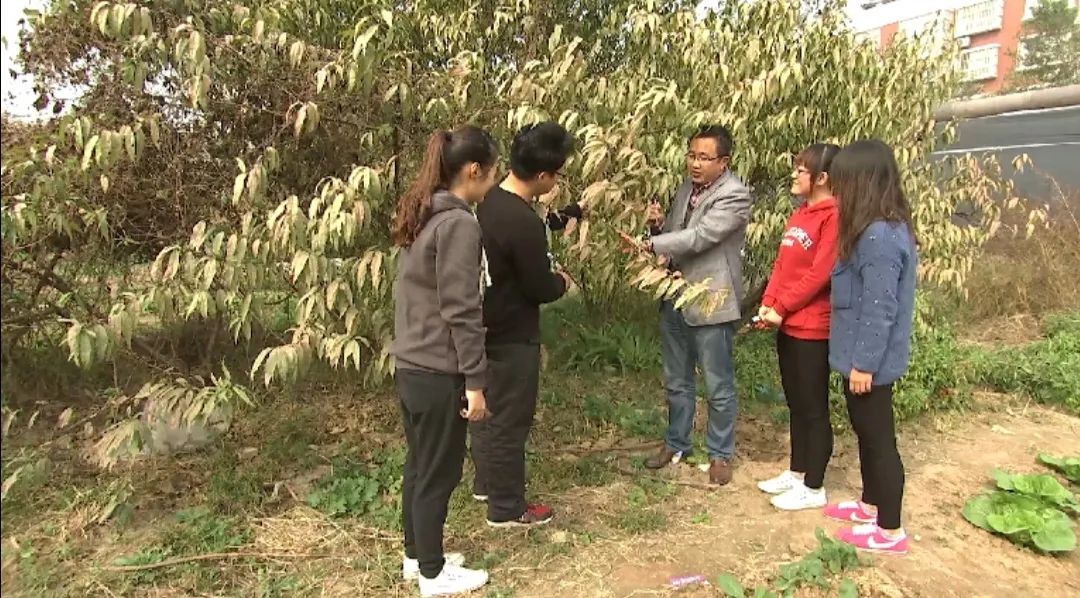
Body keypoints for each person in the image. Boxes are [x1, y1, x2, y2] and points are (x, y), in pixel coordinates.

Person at [390, 126, 498, 596]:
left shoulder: (424, 214)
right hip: (438, 369)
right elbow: (461, 309)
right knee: (439, 471)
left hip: (412, 364)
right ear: (473, 171)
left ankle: (416, 557)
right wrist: (476, 380)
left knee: (420, 465)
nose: (492, 182)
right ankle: (433, 575)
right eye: (491, 173)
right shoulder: (459, 224)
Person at [470, 122, 576, 527]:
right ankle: (507, 507)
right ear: (543, 175)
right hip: (513, 333)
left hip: (484, 326)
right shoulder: (522, 221)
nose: (557, 182)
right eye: (557, 174)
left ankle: (487, 483)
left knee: (486, 412)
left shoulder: (491, 200)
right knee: (510, 421)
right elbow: (539, 287)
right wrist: (561, 282)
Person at [639, 124, 753, 485]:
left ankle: (720, 453)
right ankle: (677, 443)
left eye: (704, 157)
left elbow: (701, 237)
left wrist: (654, 244)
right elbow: (678, 235)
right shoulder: (687, 188)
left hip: (710, 298)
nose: (695, 163)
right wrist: (658, 228)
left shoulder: (735, 195)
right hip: (675, 294)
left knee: (718, 384)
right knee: (677, 379)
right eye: (691, 155)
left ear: (724, 162)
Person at [823, 139, 917, 556]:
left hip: (870, 363)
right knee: (866, 434)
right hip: (859, 359)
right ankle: (870, 504)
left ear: (862, 182)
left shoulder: (880, 236)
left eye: (842, 182)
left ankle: (890, 529)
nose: (837, 191)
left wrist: (864, 364)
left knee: (879, 441)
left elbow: (880, 309)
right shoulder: (872, 229)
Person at [755, 143, 841, 511]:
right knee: (795, 403)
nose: (794, 175)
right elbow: (783, 265)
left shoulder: (834, 217)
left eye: (801, 170)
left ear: (822, 178)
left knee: (813, 407)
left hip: (813, 328)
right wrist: (769, 303)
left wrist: (783, 306)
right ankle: (797, 471)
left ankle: (814, 485)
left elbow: (820, 274)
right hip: (787, 324)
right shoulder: (802, 213)